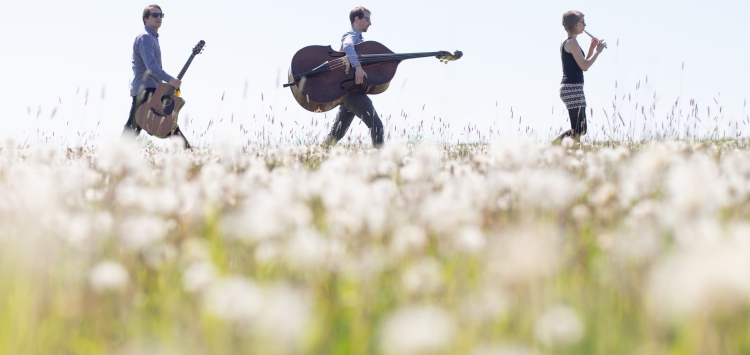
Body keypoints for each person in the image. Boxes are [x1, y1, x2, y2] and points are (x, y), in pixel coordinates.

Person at [122, 4, 191, 148]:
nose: (159, 18)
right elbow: (151, 67)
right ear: (146, 19)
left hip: (152, 88)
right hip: (145, 89)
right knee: (137, 126)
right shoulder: (145, 37)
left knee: (138, 127)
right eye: (155, 15)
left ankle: (115, 156)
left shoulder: (152, 37)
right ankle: (191, 154)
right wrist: (171, 80)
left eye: (161, 15)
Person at [324, 6, 385, 149]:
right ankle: (381, 161)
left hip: (348, 92)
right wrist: (358, 67)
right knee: (377, 125)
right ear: (356, 19)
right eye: (367, 19)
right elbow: (347, 46)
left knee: (335, 134)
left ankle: (316, 155)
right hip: (353, 93)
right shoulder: (351, 35)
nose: (370, 23)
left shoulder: (359, 40)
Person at [555, 10, 606, 143]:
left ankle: (554, 147)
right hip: (571, 87)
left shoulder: (571, 42)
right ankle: (552, 147)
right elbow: (584, 66)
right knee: (578, 130)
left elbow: (582, 64)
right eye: (582, 22)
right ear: (574, 24)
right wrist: (597, 51)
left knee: (580, 129)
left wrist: (591, 47)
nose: (585, 25)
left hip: (573, 87)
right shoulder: (571, 42)